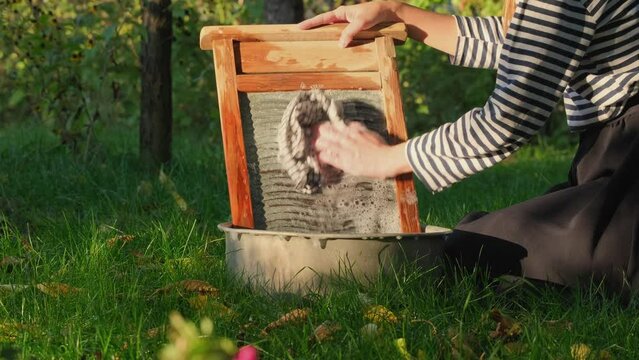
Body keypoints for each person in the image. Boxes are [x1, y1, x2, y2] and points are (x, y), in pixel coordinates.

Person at [301, 0, 639, 292]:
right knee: (480, 244)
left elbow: (509, 119)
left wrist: (389, 158)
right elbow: (525, 44)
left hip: (629, 167)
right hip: (614, 158)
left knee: (474, 253)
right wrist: (398, 13)